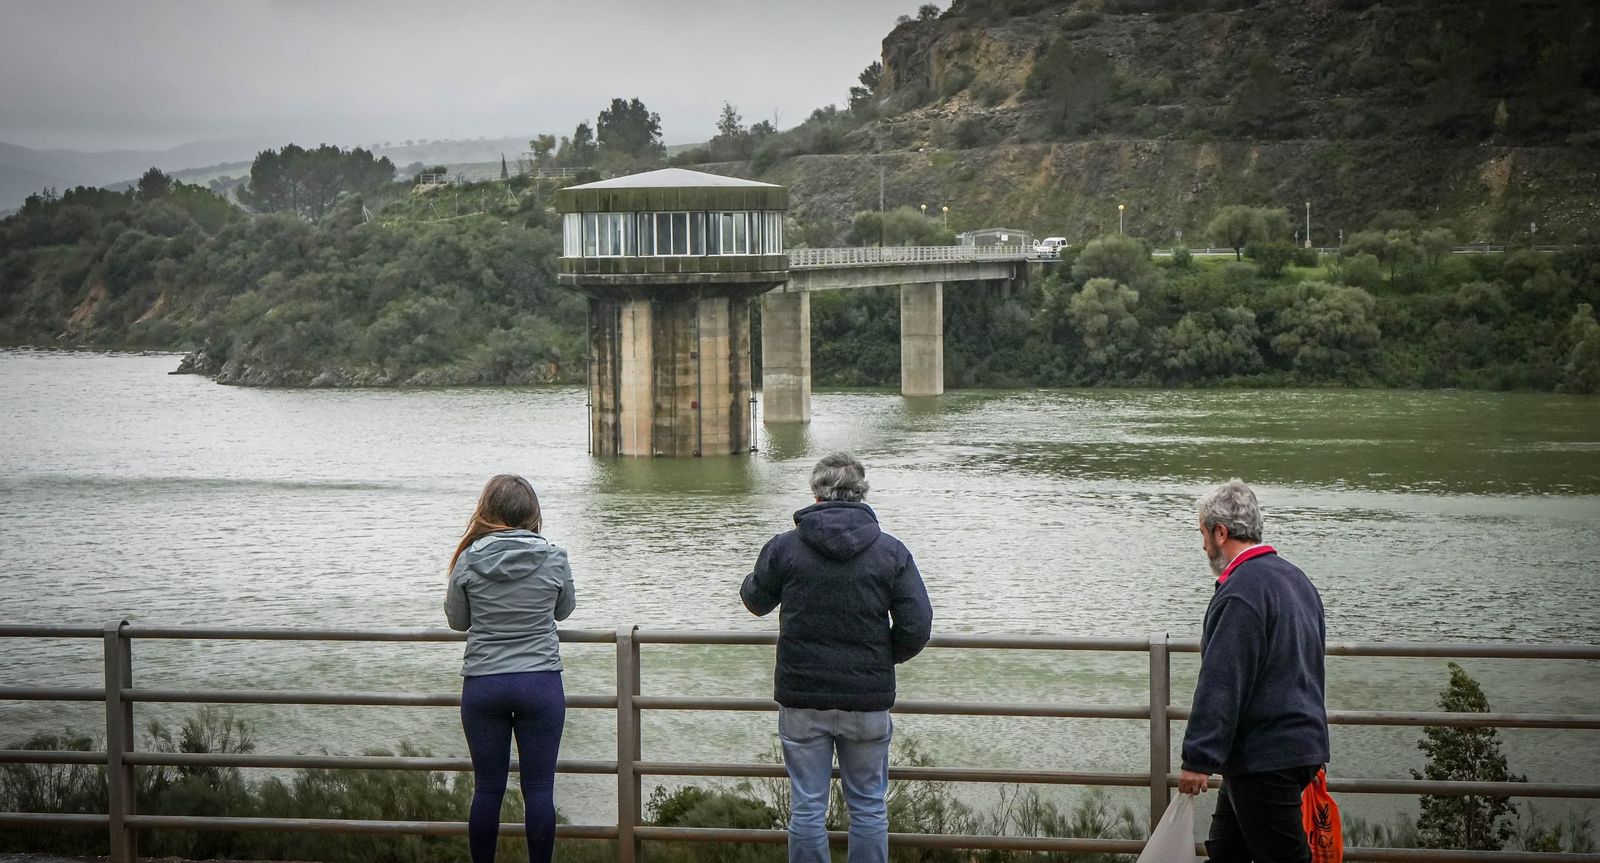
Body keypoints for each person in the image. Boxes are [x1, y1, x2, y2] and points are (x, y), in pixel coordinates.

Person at [740, 452, 934, 863]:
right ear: (862, 494)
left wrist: (753, 576)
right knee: (868, 806)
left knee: (808, 806)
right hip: (866, 696)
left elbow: (755, 602)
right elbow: (917, 626)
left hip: (802, 696)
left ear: (815, 494)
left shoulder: (785, 548)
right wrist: (881, 659)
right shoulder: (891, 552)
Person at [1177, 479, 1329, 863]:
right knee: (1227, 851)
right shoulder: (1295, 579)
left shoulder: (1242, 590)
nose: (1203, 545)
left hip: (1265, 755)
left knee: (1284, 857)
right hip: (1296, 744)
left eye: (1203, 534)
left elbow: (1224, 678)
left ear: (1221, 532)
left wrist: (1198, 758)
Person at [445, 474, 575, 863]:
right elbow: (564, 610)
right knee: (538, 789)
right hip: (540, 683)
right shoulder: (554, 556)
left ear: (487, 512)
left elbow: (457, 621)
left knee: (487, 789)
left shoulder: (469, 559)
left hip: (484, 684)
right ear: (533, 514)